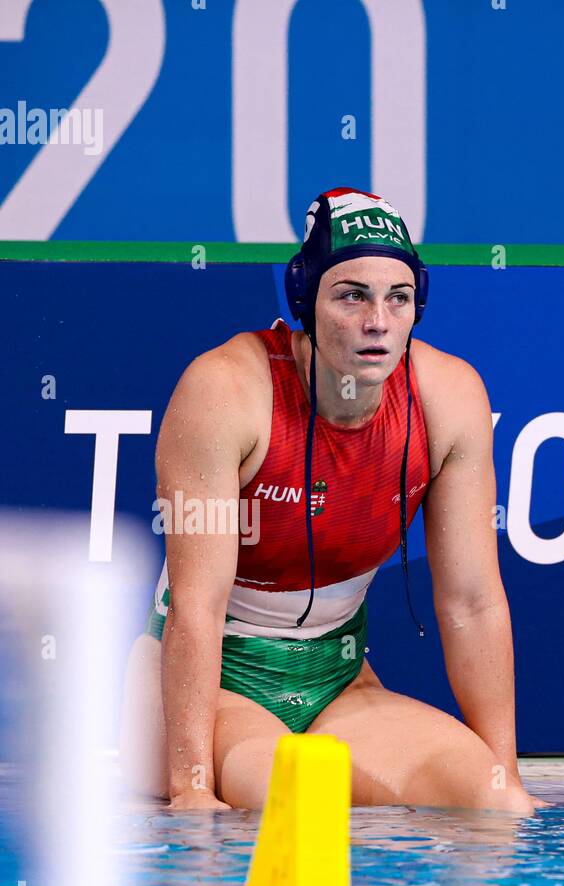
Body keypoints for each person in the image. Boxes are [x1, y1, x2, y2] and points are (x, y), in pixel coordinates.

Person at [119, 187, 532, 814]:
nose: (378, 322)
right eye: (352, 296)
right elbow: (195, 608)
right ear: (305, 301)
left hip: (338, 681)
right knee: (300, 802)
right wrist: (192, 788)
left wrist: (505, 772)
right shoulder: (226, 391)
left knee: (495, 804)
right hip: (206, 689)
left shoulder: (448, 398)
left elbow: (473, 603)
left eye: (398, 299)